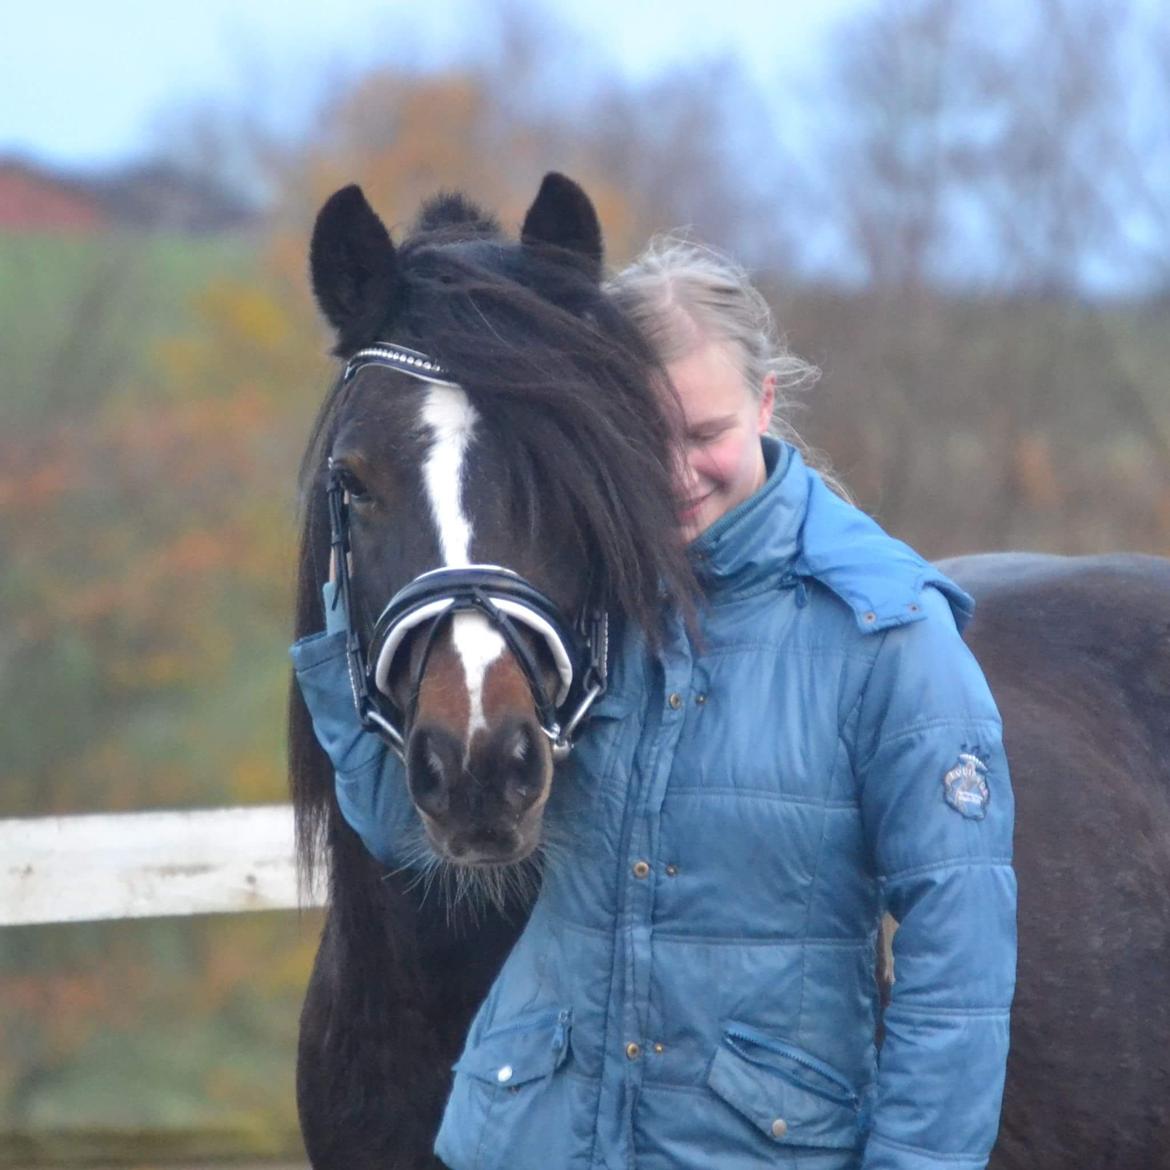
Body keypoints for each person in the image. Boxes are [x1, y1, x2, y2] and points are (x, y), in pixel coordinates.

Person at [292, 237, 1016, 1170]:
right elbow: (406, 828)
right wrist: (334, 632)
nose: (675, 475)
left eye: (706, 434)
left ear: (765, 403)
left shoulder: (888, 639)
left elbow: (958, 967)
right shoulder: (578, 616)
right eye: (640, 435)